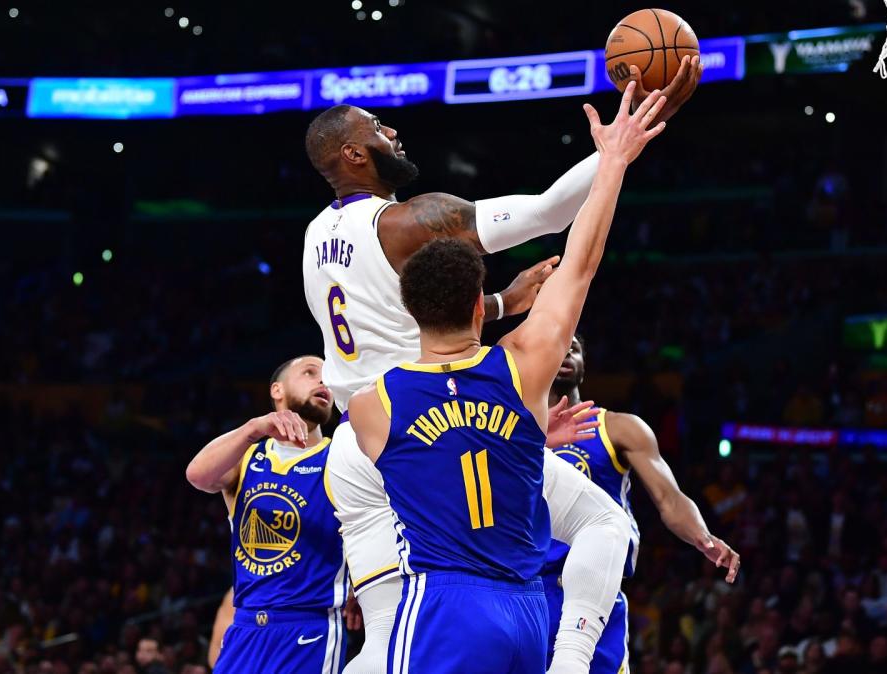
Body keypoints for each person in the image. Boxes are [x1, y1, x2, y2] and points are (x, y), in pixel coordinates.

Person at [302, 56, 705, 674]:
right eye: (380, 127)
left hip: (365, 433)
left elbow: (400, 312)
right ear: (353, 154)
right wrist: (633, 135)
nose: (394, 133)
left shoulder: (312, 238)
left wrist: (498, 303)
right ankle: (572, 659)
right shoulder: (407, 221)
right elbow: (550, 215)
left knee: (391, 636)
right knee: (602, 521)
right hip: (429, 423)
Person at [544, 333, 740, 672]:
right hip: (528, 590)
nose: (564, 353)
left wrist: (703, 536)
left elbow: (669, 497)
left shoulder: (619, 428)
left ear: (584, 365)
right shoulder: (514, 430)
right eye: (555, 346)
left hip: (595, 588)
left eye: (573, 348)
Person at [185, 356, 346, 674]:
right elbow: (197, 475)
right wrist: (253, 428)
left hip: (308, 625)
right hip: (245, 627)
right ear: (277, 390)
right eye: (310, 373)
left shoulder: (341, 454)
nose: (322, 382)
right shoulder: (247, 455)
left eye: (328, 376)